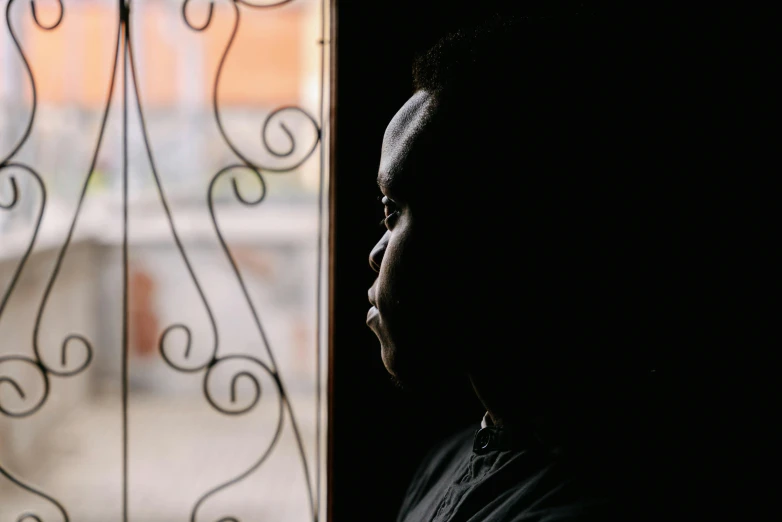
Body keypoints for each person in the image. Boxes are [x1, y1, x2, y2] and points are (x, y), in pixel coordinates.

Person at [365, 12, 711, 522]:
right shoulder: (449, 460)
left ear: (493, 229)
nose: (375, 252)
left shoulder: (589, 503)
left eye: (394, 211)